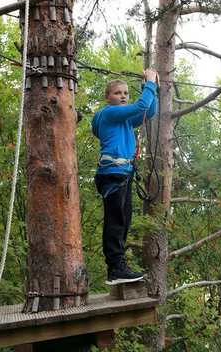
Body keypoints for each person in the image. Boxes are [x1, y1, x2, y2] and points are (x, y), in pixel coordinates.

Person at [92, 68, 158, 285]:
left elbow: (149, 111)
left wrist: (154, 88)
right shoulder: (109, 113)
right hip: (112, 174)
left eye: (126, 93)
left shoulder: (125, 121)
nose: (123, 96)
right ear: (107, 97)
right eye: (118, 93)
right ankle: (114, 267)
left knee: (124, 219)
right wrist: (149, 83)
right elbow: (141, 105)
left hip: (122, 175)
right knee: (116, 221)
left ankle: (118, 265)